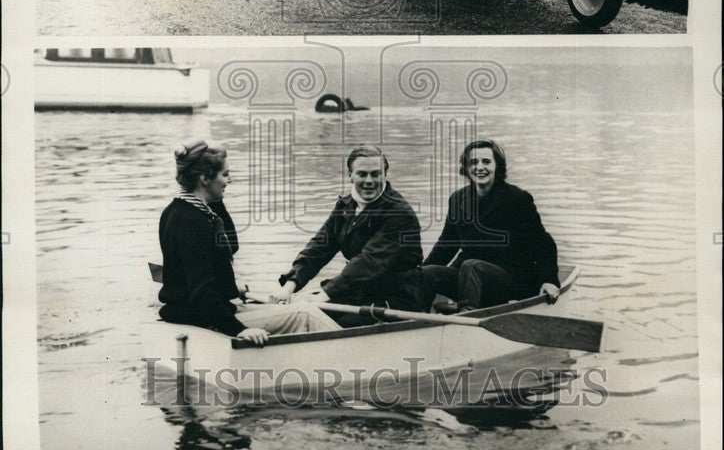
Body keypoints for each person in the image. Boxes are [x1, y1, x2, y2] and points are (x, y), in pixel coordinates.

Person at [158, 140, 340, 344]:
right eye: (225, 175)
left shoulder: (177, 211)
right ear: (204, 178)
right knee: (305, 314)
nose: (230, 180)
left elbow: (230, 246)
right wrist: (239, 330)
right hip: (201, 315)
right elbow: (202, 293)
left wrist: (213, 196)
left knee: (286, 308)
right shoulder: (194, 221)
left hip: (200, 310)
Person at [269, 144, 433, 320]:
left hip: (396, 297)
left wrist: (326, 293)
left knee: (327, 320)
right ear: (350, 176)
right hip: (357, 292)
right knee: (297, 315)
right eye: (362, 174)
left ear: (385, 175)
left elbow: (370, 261)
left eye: (376, 174)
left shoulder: (399, 213)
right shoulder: (345, 205)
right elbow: (319, 248)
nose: (369, 181)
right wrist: (290, 285)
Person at [423, 139, 560, 311]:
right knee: (426, 273)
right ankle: (414, 317)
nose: (479, 167)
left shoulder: (517, 199)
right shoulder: (457, 199)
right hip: (469, 276)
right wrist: (418, 271)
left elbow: (543, 244)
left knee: (472, 265)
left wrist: (549, 280)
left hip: (512, 280)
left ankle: (466, 314)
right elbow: (446, 244)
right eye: (473, 162)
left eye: (486, 161)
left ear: (498, 166)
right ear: (466, 168)